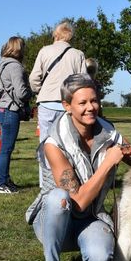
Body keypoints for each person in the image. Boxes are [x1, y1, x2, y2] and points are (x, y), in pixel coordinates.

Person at [29, 73, 131, 261]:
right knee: (60, 198)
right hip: (55, 219)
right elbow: (78, 202)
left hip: (90, 217)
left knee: (101, 257)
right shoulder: (53, 143)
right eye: (83, 102)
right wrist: (107, 164)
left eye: (94, 100)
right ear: (67, 106)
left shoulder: (109, 132)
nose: (91, 108)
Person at [29, 21, 87, 186]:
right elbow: (82, 82)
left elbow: (34, 78)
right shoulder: (78, 54)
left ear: (55, 34)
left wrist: (41, 91)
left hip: (46, 102)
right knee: (69, 144)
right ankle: (69, 181)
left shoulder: (44, 51)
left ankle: (45, 183)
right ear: (71, 36)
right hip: (67, 105)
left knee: (46, 144)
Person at [0, 36, 33, 194]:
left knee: (5, 148)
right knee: (6, 149)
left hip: (1, 108)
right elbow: (21, 92)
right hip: (10, 110)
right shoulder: (16, 67)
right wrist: (31, 92)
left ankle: (5, 180)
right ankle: (1, 183)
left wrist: (3, 91)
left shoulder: (1, 65)